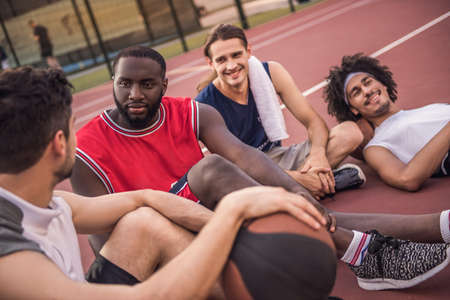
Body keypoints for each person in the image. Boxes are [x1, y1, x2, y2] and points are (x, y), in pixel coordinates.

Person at [71, 46, 450, 292]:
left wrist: (298, 195)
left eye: (147, 84)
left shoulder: (190, 112)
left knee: (311, 211)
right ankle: (364, 253)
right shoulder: (87, 145)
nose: (135, 94)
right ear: (113, 83)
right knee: (211, 171)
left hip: (216, 214)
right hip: (163, 245)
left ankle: (432, 228)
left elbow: (246, 156)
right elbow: (105, 239)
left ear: (164, 85)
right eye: (125, 84)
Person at [0, 67, 334, 299]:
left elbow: (145, 198)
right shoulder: (8, 258)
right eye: (74, 127)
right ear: (59, 143)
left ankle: (272, 292)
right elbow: (154, 295)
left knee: (142, 221)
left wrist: (243, 230)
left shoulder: (44, 202)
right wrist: (232, 212)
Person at [196, 24, 365, 200]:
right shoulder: (204, 105)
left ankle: (302, 189)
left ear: (248, 51)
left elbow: (313, 121)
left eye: (236, 55)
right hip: (247, 173)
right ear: (211, 64)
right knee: (233, 186)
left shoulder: (270, 72)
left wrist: (318, 155)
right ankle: (322, 183)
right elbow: (237, 165)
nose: (231, 65)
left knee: (349, 133)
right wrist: (297, 178)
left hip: (280, 158)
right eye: (221, 60)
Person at [324, 53, 449, 191]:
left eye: (367, 82)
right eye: (356, 92)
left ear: (383, 84)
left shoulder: (432, 108)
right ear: (354, 109)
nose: (366, 91)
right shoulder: (376, 147)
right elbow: (407, 179)